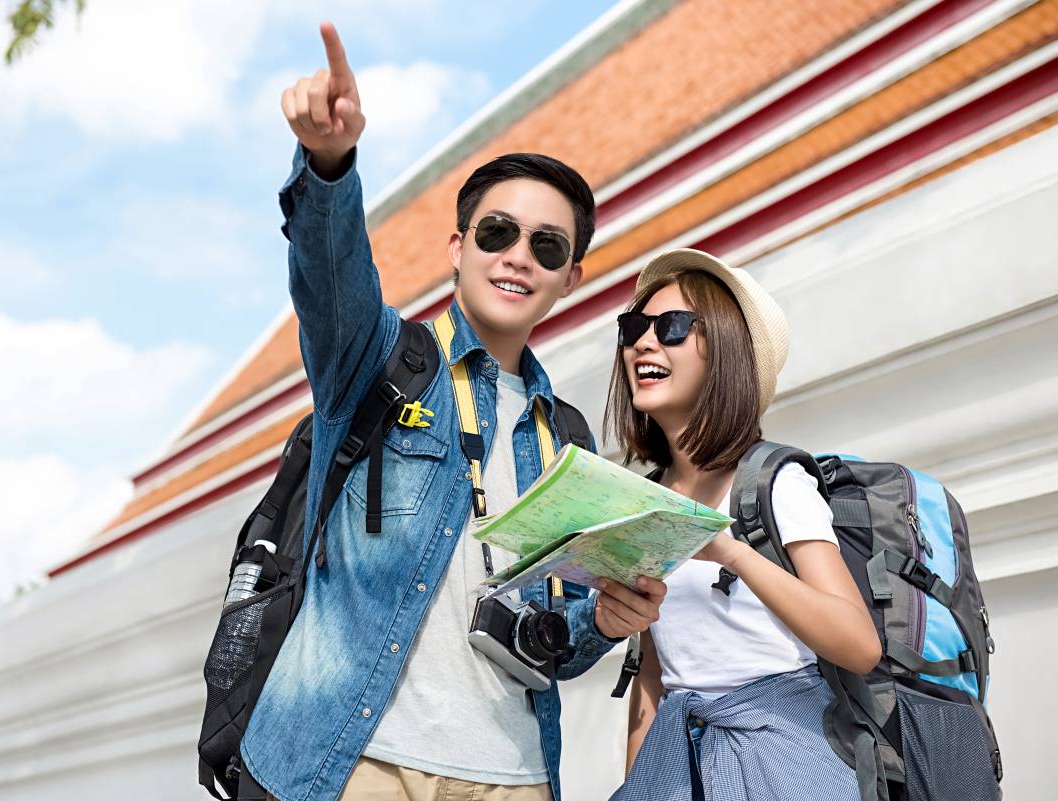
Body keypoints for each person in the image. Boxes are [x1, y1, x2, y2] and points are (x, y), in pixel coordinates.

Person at [240, 23, 668, 801]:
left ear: (570, 277)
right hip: (357, 758)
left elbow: (555, 643)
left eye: (546, 247)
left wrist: (606, 621)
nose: (517, 257)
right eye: (498, 232)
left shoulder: (568, 440)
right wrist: (329, 165)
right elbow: (330, 275)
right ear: (457, 246)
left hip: (512, 776)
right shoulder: (375, 362)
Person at [607, 249, 882, 801]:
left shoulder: (773, 484)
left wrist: (733, 553)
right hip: (681, 768)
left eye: (673, 326)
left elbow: (858, 644)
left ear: (728, 353)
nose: (644, 342)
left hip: (788, 764)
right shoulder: (645, 501)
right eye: (634, 326)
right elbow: (655, 677)